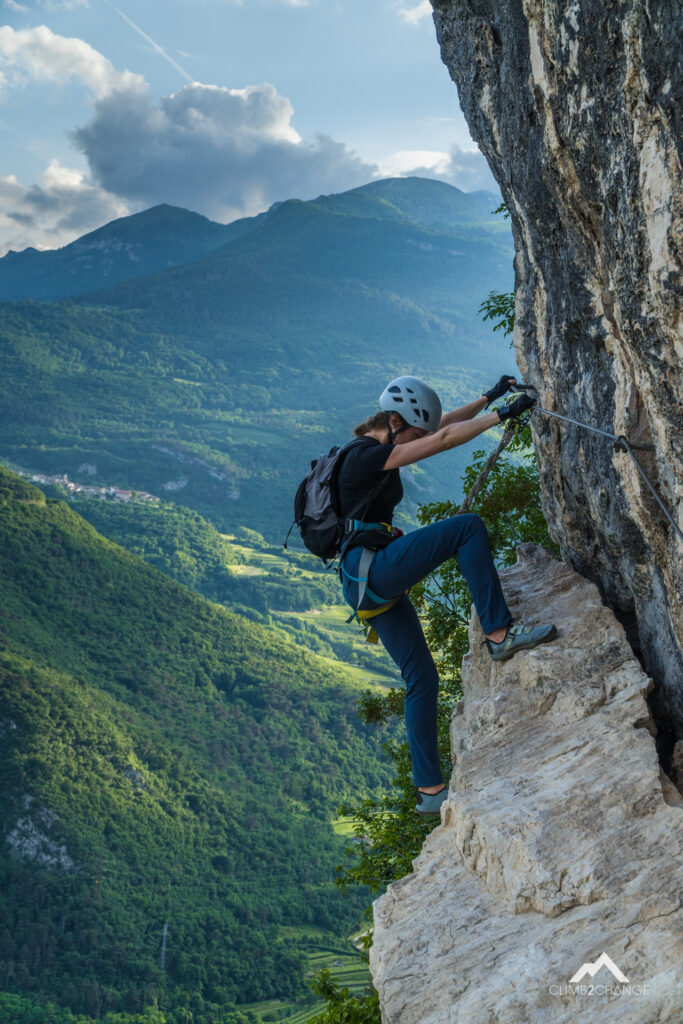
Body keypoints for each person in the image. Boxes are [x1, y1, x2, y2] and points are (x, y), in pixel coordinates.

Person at [337, 375, 557, 816]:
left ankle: (430, 792)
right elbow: (442, 441)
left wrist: (489, 397)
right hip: (373, 570)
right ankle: (499, 635)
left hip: (362, 584)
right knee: (467, 528)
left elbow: (439, 429)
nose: (417, 441)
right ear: (395, 423)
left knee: (422, 679)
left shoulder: (374, 445)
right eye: (413, 434)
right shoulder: (366, 457)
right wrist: (502, 415)